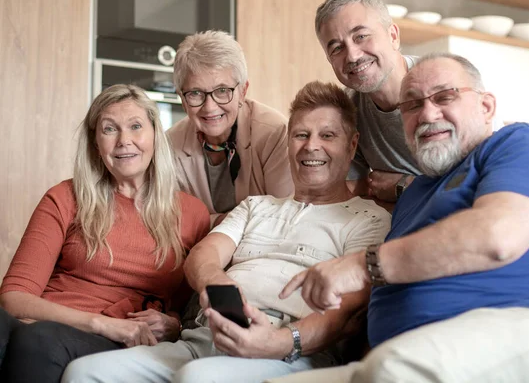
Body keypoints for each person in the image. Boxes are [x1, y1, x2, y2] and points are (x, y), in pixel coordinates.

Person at [274, 53, 529, 383]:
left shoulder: (518, 144)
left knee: (393, 371)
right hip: (403, 356)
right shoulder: (413, 195)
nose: (427, 113)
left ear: (486, 107)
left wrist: (360, 266)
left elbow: (497, 237)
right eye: (412, 105)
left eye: (445, 97)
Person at [61, 81, 392, 383]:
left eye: (327, 136)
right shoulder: (256, 207)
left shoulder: (370, 219)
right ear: (288, 143)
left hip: (291, 350)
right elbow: (203, 257)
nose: (311, 147)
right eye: (301, 135)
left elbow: (346, 311)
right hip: (206, 337)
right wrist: (213, 279)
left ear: (352, 146)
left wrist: (279, 341)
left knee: (198, 378)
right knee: (85, 372)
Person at [0, 84, 211, 383]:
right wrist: (100, 323)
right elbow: (14, 297)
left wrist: (172, 324)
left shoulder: (192, 214)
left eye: (136, 126)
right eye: (110, 129)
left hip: (109, 341)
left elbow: (184, 312)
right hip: (57, 323)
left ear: (155, 136)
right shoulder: (65, 197)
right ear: (96, 143)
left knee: (39, 340)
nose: (125, 141)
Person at [168, 30, 294, 227]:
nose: (210, 107)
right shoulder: (169, 145)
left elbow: (281, 218)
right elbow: (174, 222)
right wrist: (228, 221)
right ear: (182, 99)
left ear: (243, 91)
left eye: (222, 91)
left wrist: (208, 223)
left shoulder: (275, 132)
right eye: (195, 93)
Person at [315, 0, 421, 209]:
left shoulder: (444, 85)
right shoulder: (346, 111)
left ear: (393, 36)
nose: (352, 56)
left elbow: (479, 177)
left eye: (361, 36)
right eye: (337, 48)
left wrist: (403, 185)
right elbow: (356, 197)